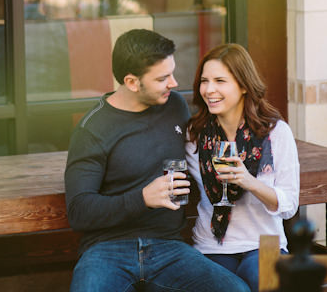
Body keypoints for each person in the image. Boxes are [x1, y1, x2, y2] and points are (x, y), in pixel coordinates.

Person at [65, 29, 250, 292]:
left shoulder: (174, 106)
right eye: (162, 78)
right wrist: (142, 198)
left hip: (169, 247)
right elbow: (79, 212)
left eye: (172, 73)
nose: (174, 83)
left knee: (236, 290)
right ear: (132, 82)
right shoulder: (92, 129)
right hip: (106, 250)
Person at [186, 43, 300, 292]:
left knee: (265, 282)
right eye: (204, 81)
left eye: (220, 80)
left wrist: (249, 181)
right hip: (211, 246)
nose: (209, 89)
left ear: (244, 86)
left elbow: (289, 205)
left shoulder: (275, 133)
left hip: (265, 244)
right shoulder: (194, 135)